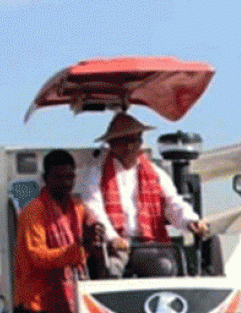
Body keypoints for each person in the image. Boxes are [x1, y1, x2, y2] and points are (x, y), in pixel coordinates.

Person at [14, 148, 107, 313]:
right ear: (46, 179)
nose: (66, 183)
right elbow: (38, 257)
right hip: (37, 311)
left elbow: (93, 227)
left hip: (67, 309)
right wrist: (79, 249)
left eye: (70, 177)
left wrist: (97, 232)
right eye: (59, 177)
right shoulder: (33, 212)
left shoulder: (78, 208)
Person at [82, 112, 209, 264]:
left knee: (164, 266)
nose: (128, 146)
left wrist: (191, 221)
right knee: (112, 270)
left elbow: (173, 203)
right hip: (113, 246)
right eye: (122, 141)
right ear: (111, 144)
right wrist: (113, 238)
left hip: (150, 243)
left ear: (140, 142)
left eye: (133, 140)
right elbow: (94, 209)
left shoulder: (155, 173)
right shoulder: (97, 173)